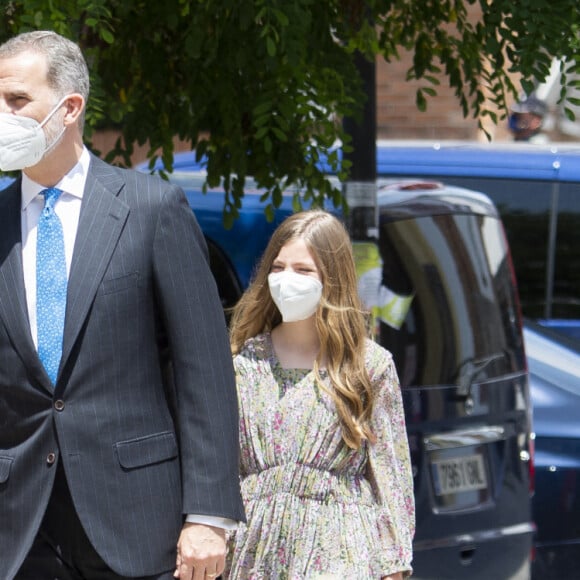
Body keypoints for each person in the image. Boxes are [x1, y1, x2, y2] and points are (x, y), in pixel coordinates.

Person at [0, 30, 244, 580]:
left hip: (137, 521)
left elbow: (203, 368)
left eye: (16, 101)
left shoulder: (151, 209)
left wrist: (208, 515)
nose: (2, 114)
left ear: (69, 109)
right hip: (19, 528)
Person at [226, 209, 415, 578]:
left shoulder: (367, 366)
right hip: (256, 551)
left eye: (303, 270)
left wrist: (394, 563)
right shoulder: (242, 362)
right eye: (278, 268)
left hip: (342, 549)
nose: (286, 279)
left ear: (333, 279)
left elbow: (392, 476)